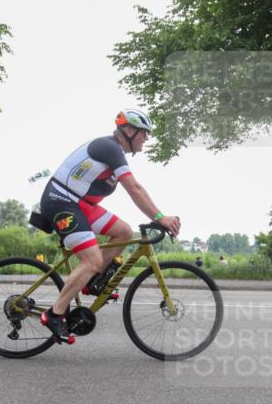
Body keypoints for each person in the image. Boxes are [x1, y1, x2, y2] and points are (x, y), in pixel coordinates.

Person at [37, 108, 180, 341]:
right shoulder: (110, 148)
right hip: (61, 201)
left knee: (124, 232)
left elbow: (134, 189)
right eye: (144, 133)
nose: (146, 139)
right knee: (92, 260)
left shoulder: (115, 151)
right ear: (130, 131)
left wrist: (158, 217)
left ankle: (91, 282)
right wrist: (160, 217)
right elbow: (134, 188)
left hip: (82, 204)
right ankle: (55, 313)